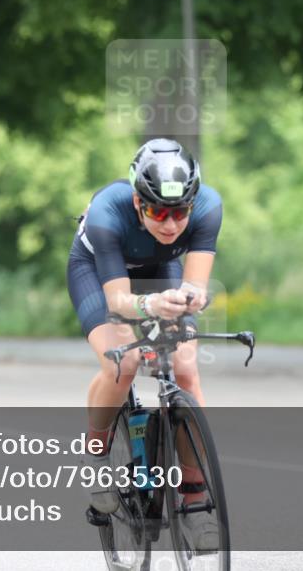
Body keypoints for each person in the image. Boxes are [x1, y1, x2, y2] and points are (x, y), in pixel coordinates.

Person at [67, 138, 222, 549]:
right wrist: (151, 303)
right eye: (157, 211)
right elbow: (119, 300)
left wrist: (190, 298)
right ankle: (97, 455)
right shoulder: (107, 212)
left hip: (159, 268)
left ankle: (193, 496)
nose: (170, 225)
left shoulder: (209, 207)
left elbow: (196, 283)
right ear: (138, 202)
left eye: (179, 213)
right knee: (123, 362)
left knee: (186, 368)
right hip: (99, 272)